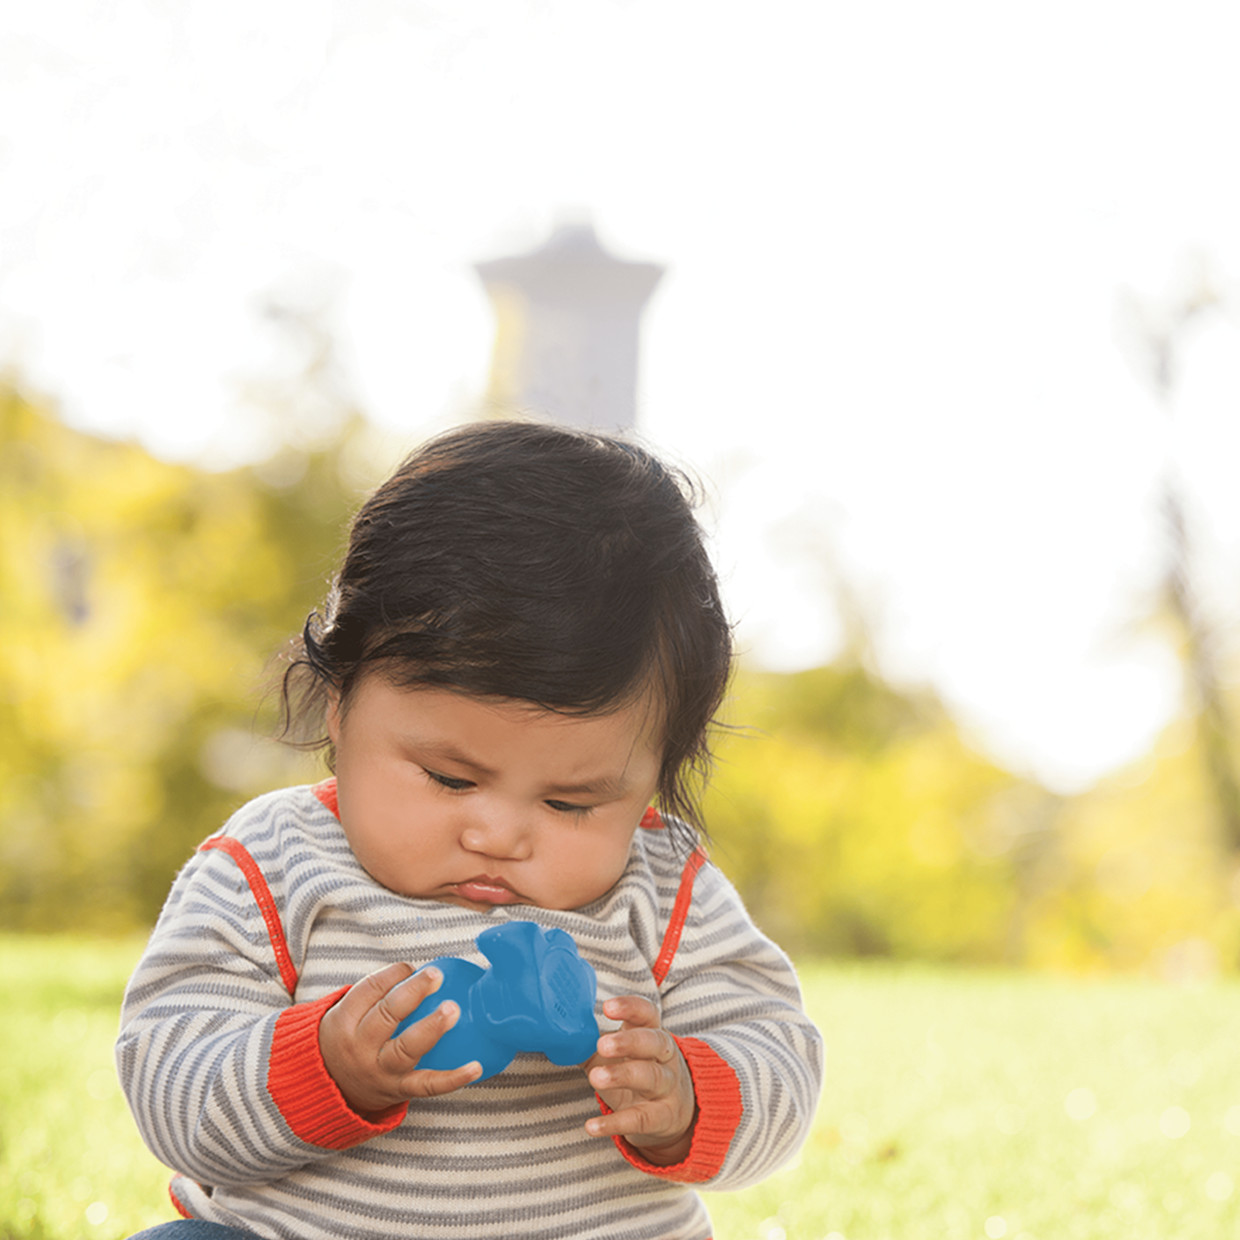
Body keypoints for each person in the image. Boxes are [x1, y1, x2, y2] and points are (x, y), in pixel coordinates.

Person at [116, 420, 823, 1240]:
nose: (499, 834)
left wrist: (687, 1097)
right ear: (339, 705)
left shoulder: (664, 888)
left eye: (570, 803)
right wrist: (328, 1065)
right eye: (450, 779)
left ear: (651, 782)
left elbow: (781, 1060)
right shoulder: (272, 867)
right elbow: (170, 1082)